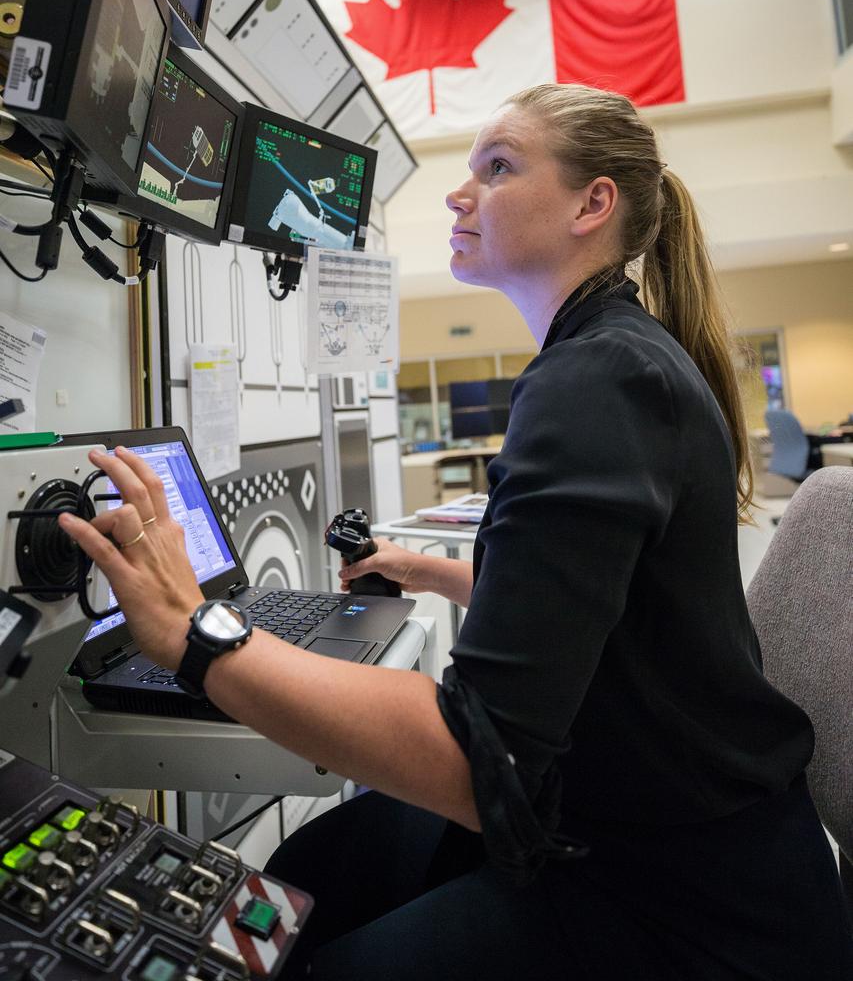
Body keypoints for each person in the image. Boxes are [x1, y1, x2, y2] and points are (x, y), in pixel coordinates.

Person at [61, 84, 853, 980]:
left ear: (593, 204)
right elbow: (600, 598)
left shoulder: (596, 379)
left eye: (499, 167)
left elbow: (483, 760)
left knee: (313, 951)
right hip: (655, 822)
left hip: (686, 902)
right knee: (303, 878)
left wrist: (194, 635)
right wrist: (435, 572)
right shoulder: (613, 355)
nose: (458, 190)